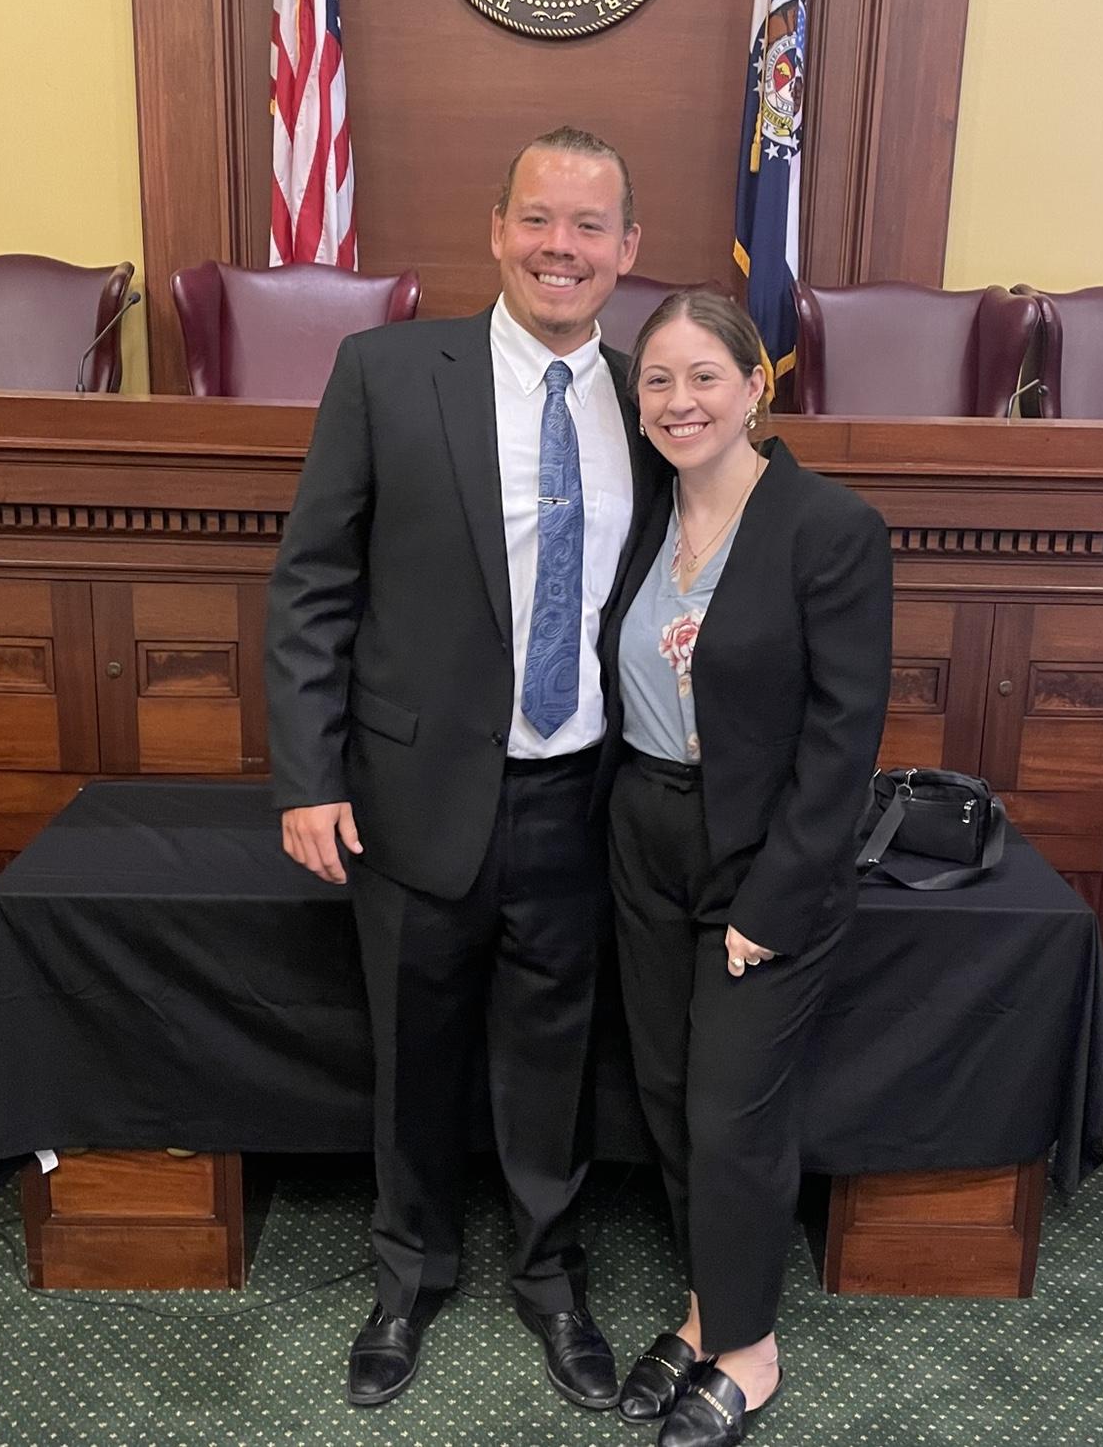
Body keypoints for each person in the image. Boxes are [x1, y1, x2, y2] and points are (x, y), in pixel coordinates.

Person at [265, 126, 668, 1412]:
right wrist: (306, 775)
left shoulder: (656, 402)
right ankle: (407, 1277)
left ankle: (551, 1277)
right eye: (538, 218)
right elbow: (314, 586)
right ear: (496, 230)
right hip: (412, 794)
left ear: (627, 248)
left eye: (590, 225)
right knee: (414, 1054)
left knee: (555, 1058)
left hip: (580, 796)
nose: (562, 246)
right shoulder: (386, 372)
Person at [601, 290, 893, 1446]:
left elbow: (843, 739)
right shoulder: (641, 517)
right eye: (658, 380)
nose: (680, 402)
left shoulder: (828, 527)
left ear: (755, 386)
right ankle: (705, 1310)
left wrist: (773, 898)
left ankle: (750, 1349)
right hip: (644, 837)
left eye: (704, 376)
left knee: (732, 1115)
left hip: (767, 857)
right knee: (670, 1096)